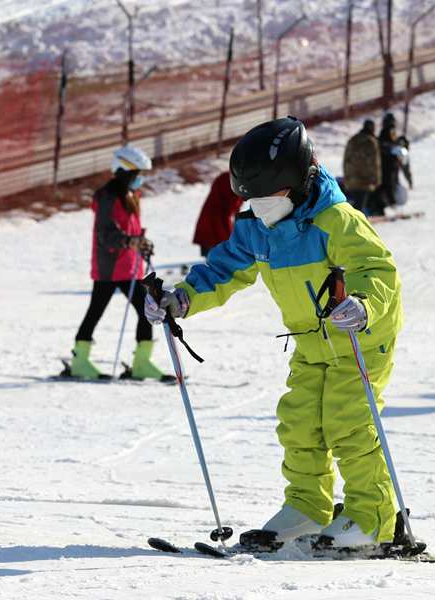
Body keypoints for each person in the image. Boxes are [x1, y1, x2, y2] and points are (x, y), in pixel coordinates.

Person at [144, 117, 410, 551]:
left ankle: (372, 518)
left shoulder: (336, 220)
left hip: (359, 338)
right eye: (251, 198)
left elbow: (378, 270)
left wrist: (363, 306)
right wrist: (183, 298)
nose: (259, 205)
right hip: (309, 341)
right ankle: (308, 508)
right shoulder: (256, 225)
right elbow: (224, 268)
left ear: (298, 180)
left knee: (349, 425)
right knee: (300, 425)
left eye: (268, 196)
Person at [62, 145, 172, 382]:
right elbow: (105, 234)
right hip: (110, 267)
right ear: (124, 171)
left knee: (145, 311)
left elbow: (129, 229)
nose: (140, 179)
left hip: (129, 266)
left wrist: (140, 242)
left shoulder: (130, 196)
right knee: (97, 311)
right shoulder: (107, 197)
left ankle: (141, 362)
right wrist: (130, 241)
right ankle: (80, 360)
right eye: (137, 174)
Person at [192, 171, 244, 257]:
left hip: (210, 220)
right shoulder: (234, 181)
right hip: (218, 223)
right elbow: (233, 205)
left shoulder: (228, 177)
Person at [374, 112, 413, 216]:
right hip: (388, 164)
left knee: (388, 185)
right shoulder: (389, 132)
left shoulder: (389, 132)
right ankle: (391, 206)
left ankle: (389, 206)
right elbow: (387, 146)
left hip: (388, 164)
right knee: (388, 185)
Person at [341, 119, 381, 214]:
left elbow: (346, 159)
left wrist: (347, 176)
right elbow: (375, 162)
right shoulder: (371, 141)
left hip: (351, 178)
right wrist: (377, 179)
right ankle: (355, 224)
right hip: (365, 179)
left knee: (357, 203)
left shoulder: (353, 139)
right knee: (359, 205)